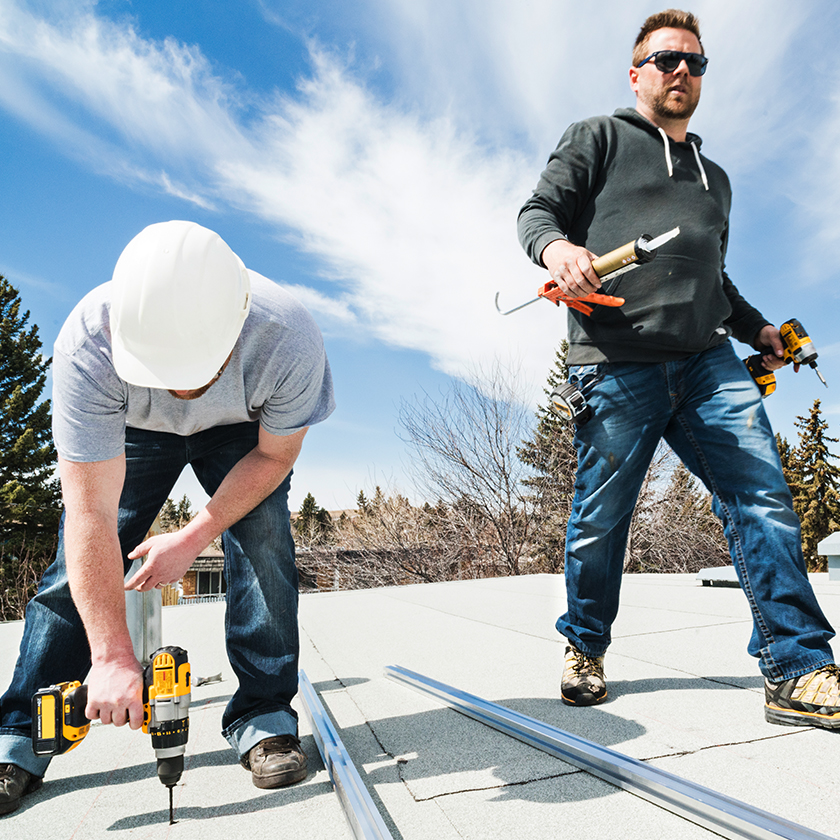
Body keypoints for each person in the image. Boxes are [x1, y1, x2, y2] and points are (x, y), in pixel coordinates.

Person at [517, 9, 839, 726]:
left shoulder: (713, 178)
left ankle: (799, 666)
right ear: (637, 74)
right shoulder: (597, 137)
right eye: (667, 60)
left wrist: (756, 327)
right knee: (602, 518)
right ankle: (585, 647)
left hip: (706, 365)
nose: (682, 73)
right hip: (616, 361)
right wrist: (556, 252)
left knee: (762, 496)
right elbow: (538, 212)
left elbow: (715, 282)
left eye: (695, 63)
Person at [0, 220, 335, 814]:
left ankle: (263, 715)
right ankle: (21, 733)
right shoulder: (89, 342)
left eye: (197, 373)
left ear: (238, 324)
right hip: (130, 427)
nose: (184, 393)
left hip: (243, 432)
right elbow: (91, 514)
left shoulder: (288, 336)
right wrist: (111, 657)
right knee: (69, 571)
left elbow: (275, 454)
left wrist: (192, 536)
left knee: (264, 547)